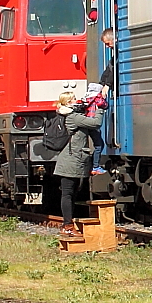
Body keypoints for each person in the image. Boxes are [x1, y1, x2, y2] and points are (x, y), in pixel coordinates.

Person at [53, 100, 102, 238]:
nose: (77, 100)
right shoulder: (74, 117)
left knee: (71, 194)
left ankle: (68, 224)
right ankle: (67, 225)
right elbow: (96, 123)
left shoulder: (73, 116)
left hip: (71, 160)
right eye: (72, 99)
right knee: (68, 193)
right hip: (70, 161)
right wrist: (100, 109)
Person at [80, 83, 108, 175]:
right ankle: (95, 166)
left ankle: (92, 165)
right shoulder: (97, 97)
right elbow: (103, 104)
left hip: (86, 122)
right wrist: (104, 97)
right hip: (93, 124)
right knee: (99, 145)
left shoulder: (86, 98)